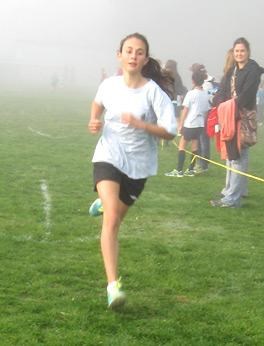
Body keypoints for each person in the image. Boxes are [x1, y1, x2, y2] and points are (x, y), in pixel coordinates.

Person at [88, 33, 177, 309]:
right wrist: (93, 120)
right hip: (109, 155)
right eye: (128, 51)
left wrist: (142, 125)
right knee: (112, 220)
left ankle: (104, 202)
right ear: (120, 55)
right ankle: (113, 286)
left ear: (145, 59)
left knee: (114, 215)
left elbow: (170, 132)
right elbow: (97, 104)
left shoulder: (153, 93)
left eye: (139, 52)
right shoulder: (109, 85)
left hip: (139, 165)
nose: (133, 56)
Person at [211, 37, 264, 208]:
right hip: (229, 117)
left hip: (242, 118)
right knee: (231, 155)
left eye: (242, 50)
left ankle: (232, 199)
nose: (239, 54)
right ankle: (233, 191)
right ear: (233, 53)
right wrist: (220, 104)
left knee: (238, 156)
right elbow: (222, 92)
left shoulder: (253, 71)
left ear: (248, 52)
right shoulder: (232, 71)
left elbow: (247, 95)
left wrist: (230, 107)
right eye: (236, 51)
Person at [165, 69, 210, 177]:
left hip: (190, 124)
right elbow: (206, 110)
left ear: (193, 81)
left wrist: (180, 124)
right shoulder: (205, 94)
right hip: (200, 124)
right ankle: (190, 169)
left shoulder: (191, 93)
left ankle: (179, 170)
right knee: (195, 146)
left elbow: (185, 110)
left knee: (182, 146)